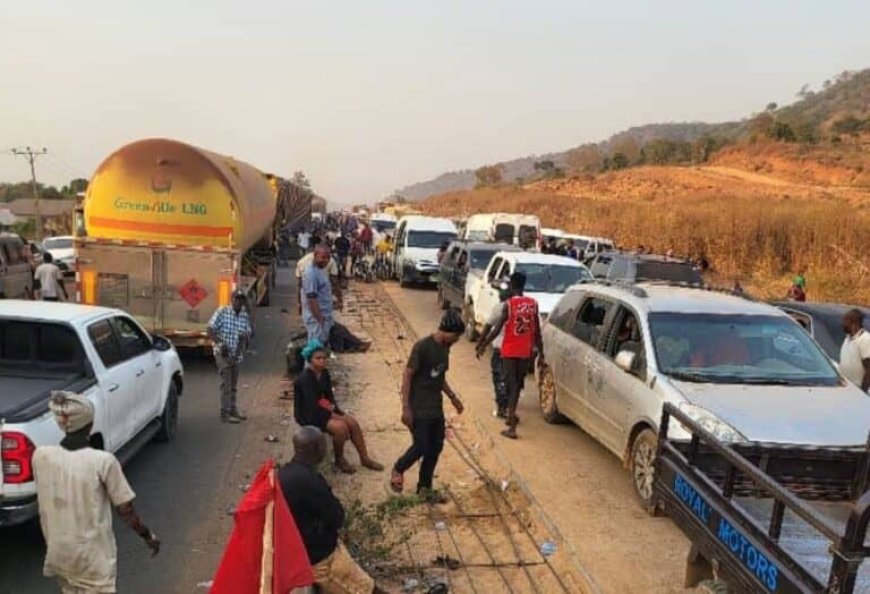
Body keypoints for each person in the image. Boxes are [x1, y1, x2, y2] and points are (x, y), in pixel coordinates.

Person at [33, 391, 160, 594]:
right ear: (90, 425)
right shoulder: (102, 461)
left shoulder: (41, 456)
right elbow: (126, 511)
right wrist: (147, 535)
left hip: (59, 553)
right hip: (92, 558)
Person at [279, 427, 387, 594]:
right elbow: (337, 516)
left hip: (300, 552)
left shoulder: (284, 473)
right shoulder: (310, 482)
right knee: (366, 589)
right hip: (321, 560)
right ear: (317, 449)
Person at [391, 309, 465, 501]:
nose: (457, 340)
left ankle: (424, 488)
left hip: (435, 407)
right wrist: (405, 407)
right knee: (421, 445)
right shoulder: (422, 347)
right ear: (447, 331)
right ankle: (399, 468)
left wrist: (452, 397)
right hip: (419, 407)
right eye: (456, 336)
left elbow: (440, 376)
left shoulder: (445, 348)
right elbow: (407, 375)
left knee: (435, 447)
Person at [293, 341, 383, 473]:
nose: (322, 361)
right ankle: (339, 459)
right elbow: (312, 405)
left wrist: (337, 411)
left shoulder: (324, 374)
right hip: (308, 414)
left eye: (324, 358)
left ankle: (364, 458)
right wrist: (332, 415)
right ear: (310, 360)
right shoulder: (305, 379)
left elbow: (327, 397)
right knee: (341, 429)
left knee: (352, 422)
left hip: (321, 409)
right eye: (318, 358)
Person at [476, 272, 544, 439]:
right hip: (525, 350)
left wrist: (482, 344)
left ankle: (511, 424)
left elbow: (497, 328)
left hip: (510, 349)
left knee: (510, 384)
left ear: (512, 285)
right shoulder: (533, 304)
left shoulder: (509, 305)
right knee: (517, 384)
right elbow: (536, 331)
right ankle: (511, 415)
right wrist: (541, 352)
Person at [207, 290, 253, 423]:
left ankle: (233, 409)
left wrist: (237, 355)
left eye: (241, 300)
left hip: (236, 354)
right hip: (222, 353)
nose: (239, 302)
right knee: (226, 383)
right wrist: (221, 344)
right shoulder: (222, 311)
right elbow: (210, 329)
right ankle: (224, 413)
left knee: (233, 384)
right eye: (237, 299)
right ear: (232, 300)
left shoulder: (244, 315)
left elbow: (244, 336)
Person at [477, 287, 510, 418]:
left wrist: (481, 343)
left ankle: (502, 407)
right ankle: (509, 408)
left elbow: (489, 326)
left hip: (501, 349)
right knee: (513, 380)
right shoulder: (524, 308)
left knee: (499, 378)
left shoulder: (500, 307)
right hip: (520, 351)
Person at [302, 245, 337, 344]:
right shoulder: (311, 274)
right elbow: (311, 299)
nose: (326, 260)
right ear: (315, 255)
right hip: (316, 319)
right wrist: (319, 319)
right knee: (315, 349)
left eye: (328, 258)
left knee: (320, 348)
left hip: (324, 316)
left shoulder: (320, 270)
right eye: (323, 257)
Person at [296, 239, 340, 315]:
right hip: (320, 299)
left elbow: (299, 285)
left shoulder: (302, 261)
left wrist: (299, 303)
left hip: (307, 300)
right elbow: (334, 281)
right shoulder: (331, 260)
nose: (326, 260)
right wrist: (339, 298)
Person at [840, 309, 870, 392]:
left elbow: (869, 369)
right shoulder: (847, 339)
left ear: (854, 323)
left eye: (846, 320)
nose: (842, 324)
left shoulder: (865, 339)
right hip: (847, 389)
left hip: (860, 391)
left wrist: (862, 391)